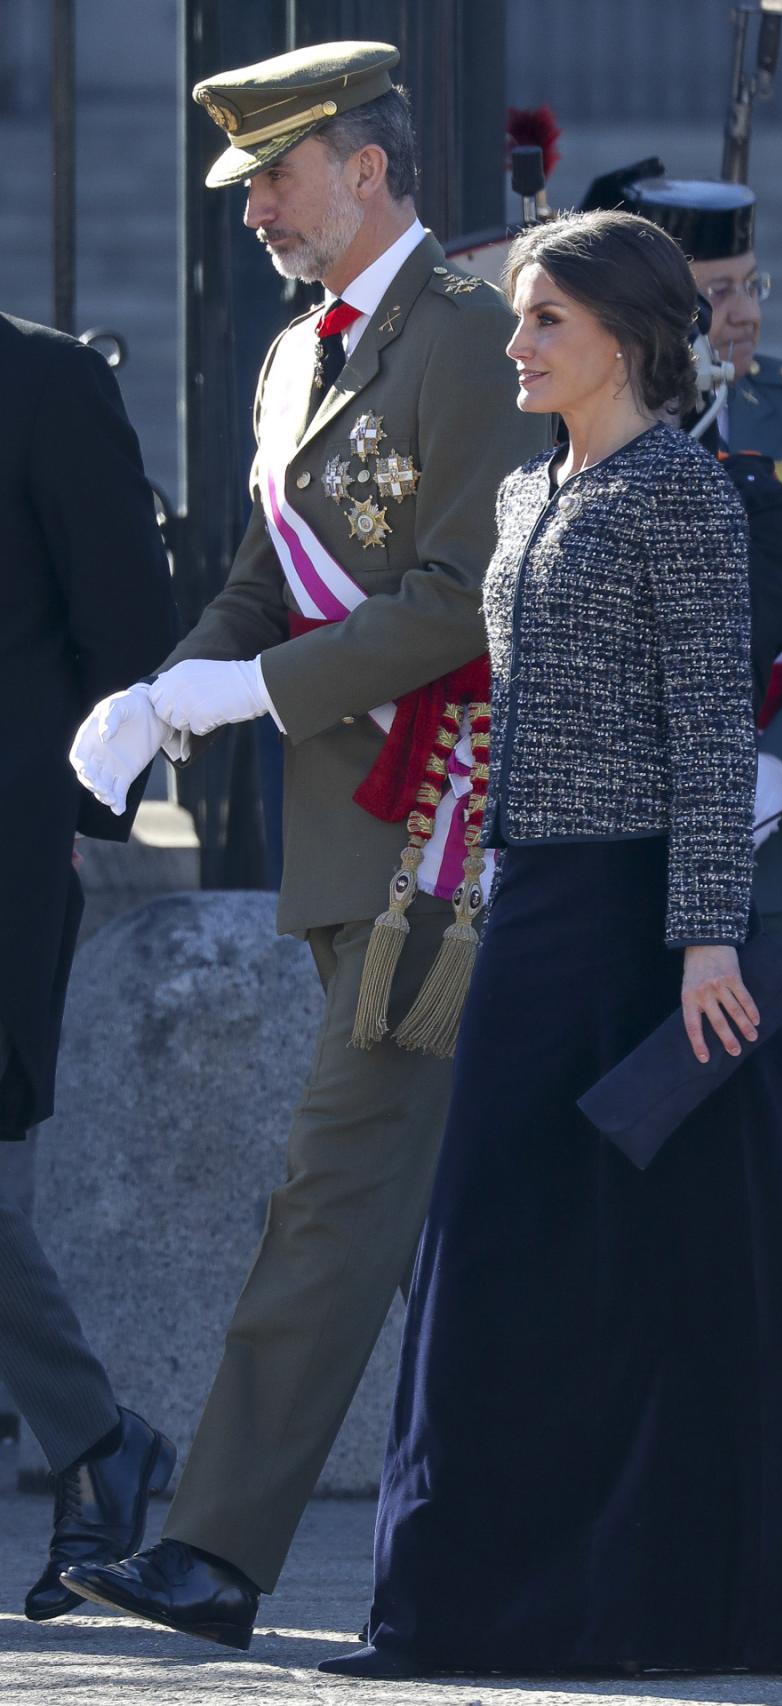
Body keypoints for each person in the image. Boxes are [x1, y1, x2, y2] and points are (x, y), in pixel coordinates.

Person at [315, 209, 782, 1680]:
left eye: (544, 325)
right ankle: (465, 1597)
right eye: (517, 319)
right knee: (498, 1250)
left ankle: (652, 1596)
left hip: (651, 925)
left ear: (632, 343)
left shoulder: (688, 500)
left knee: (676, 1269)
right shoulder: (529, 496)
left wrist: (709, 942)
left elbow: (714, 736)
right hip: (535, 910)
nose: (514, 346)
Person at [61, 41, 548, 1648]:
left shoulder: (468, 345)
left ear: (373, 168)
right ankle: (547, 1526)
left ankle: (212, 1551)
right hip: (348, 842)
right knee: (429, 1209)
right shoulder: (293, 360)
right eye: (249, 182)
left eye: (277, 172)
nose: (257, 206)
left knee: (336, 1194)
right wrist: (166, 696)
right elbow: (269, 578)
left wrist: (243, 688)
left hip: (447, 837)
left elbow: (452, 597)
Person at [581, 164, 782, 1504]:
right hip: (626, 823)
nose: (742, 316)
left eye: (750, 285)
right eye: (715, 293)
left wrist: (779, 772)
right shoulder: (597, 425)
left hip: (777, 830)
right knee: (647, 1120)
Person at [0, 312, 179, 1620]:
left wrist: (76, 819)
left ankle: (95, 1439)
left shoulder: (49, 383)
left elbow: (128, 621)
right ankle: (97, 1442)